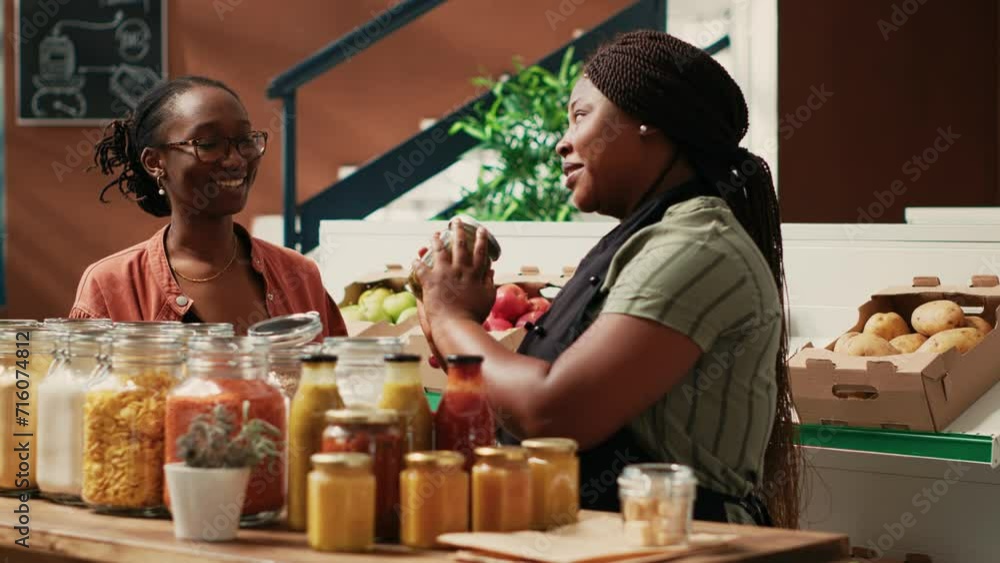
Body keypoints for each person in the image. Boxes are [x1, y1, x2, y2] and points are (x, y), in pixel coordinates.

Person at [412, 31, 799, 527]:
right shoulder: (647, 239)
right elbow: (528, 417)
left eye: (580, 115)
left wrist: (451, 320)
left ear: (649, 121)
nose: (562, 142)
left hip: (677, 545)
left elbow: (553, 413)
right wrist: (450, 336)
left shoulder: (697, 248)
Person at [69, 76, 346, 337]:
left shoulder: (299, 275)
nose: (235, 160)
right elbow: (83, 385)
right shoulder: (110, 285)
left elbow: (340, 380)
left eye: (244, 140)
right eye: (209, 143)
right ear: (155, 162)